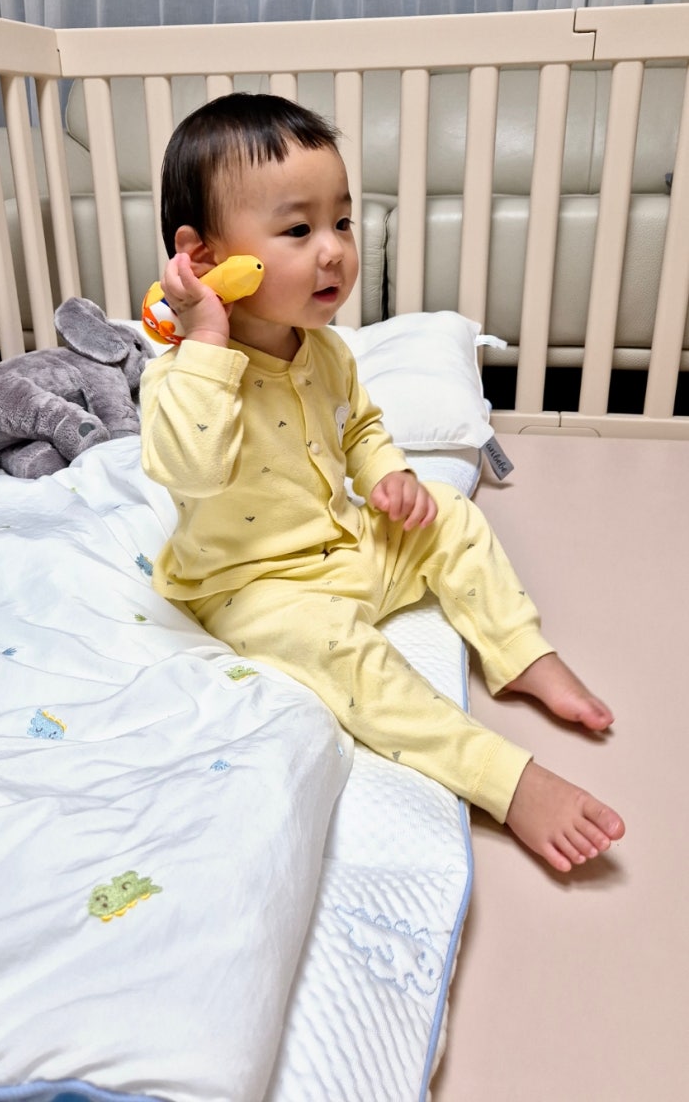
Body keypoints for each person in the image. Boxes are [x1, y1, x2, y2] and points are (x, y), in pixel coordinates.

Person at [140, 92, 625, 873]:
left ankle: (519, 653)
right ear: (202, 260)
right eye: (297, 230)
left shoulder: (326, 351)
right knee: (348, 659)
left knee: (451, 516)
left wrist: (391, 475)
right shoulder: (182, 376)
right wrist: (205, 340)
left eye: (340, 222)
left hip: (346, 547)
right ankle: (503, 780)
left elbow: (359, 427)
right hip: (254, 589)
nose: (333, 250)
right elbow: (189, 469)